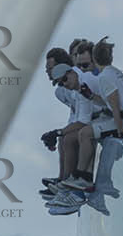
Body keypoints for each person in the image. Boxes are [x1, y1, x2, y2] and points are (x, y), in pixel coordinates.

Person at [43, 63, 102, 213]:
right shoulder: (76, 89)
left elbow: (83, 121)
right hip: (99, 118)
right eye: (60, 83)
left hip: (109, 117)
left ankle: (77, 185)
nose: (64, 84)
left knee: (76, 137)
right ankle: (65, 184)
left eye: (65, 79)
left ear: (72, 73)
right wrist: (58, 133)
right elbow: (80, 119)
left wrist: (58, 132)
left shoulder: (85, 82)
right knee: (65, 138)